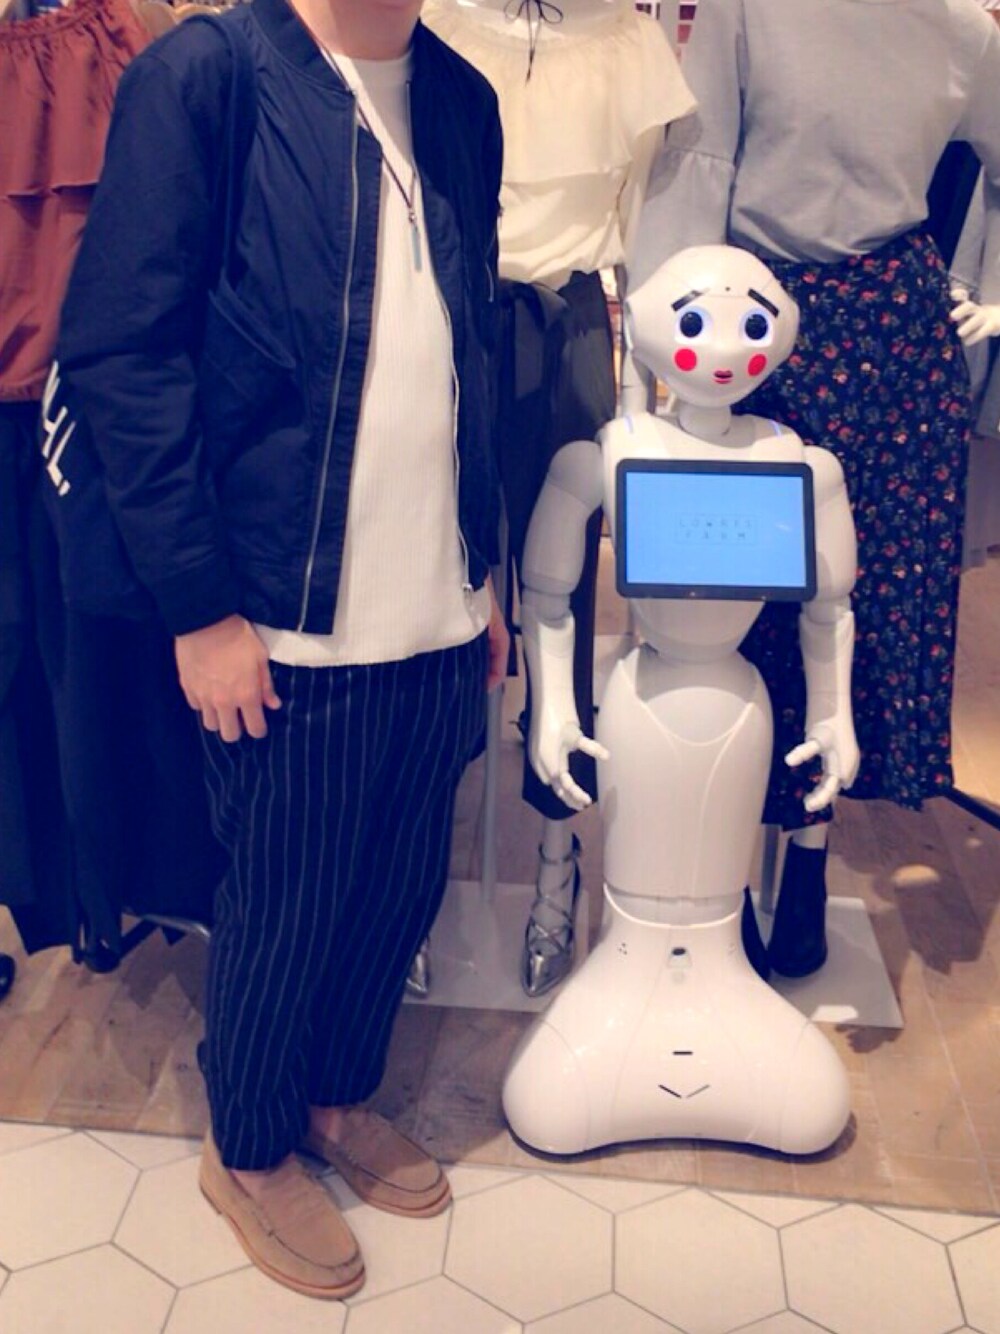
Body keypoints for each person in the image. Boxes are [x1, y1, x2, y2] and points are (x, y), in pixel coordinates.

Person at [56, 0, 507, 1302]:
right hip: (280, 611)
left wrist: (479, 569)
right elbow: (123, 354)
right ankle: (249, 1147)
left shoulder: (463, 100)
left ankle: (333, 1096)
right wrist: (200, 607)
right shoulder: (209, 78)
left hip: (437, 603)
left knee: (395, 885)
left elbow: (470, 347)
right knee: (285, 896)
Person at [633, 0, 1000, 979]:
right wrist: (667, 341)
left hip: (898, 333)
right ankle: (713, 860)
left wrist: (990, 286)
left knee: (860, 605)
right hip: (758, 331)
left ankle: (805, 860)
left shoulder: (963, 29)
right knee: (737, 603)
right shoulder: (749, 7)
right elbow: (700, 162)